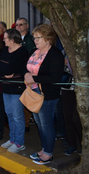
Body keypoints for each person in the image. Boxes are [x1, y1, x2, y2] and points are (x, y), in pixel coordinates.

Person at [24, 24, 64, 165]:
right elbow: (26, 67)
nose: (35, 41)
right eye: (34, 38)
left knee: (46, 125)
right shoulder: (35, 51)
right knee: (40, 124)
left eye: (38, 38)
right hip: (34, 92)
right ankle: (44, 149)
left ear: (48, 39)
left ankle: (48, 154)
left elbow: (55, 77)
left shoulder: (55, 54)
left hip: (47, 94)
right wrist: (27, 75)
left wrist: (34, 78)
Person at [0, 29, 29, 152]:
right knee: (9, 113)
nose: (3, 40)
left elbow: (11, 68)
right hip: (5, 86)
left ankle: (19, 143)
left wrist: (6, 71)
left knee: (17, 115)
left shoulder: (22, 51)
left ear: (12, 40)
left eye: (5, 38)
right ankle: (12, 139)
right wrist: (5, 74)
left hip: (16, 88)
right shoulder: (4, 50)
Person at [15, 17, 35, 133]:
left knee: (27, 98)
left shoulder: (31, 40)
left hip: (27, 73)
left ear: (27, 26)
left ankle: (27, 123)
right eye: (17, 25)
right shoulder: (15, 39)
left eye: (21, 25)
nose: (19, 27)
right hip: (16, 74)